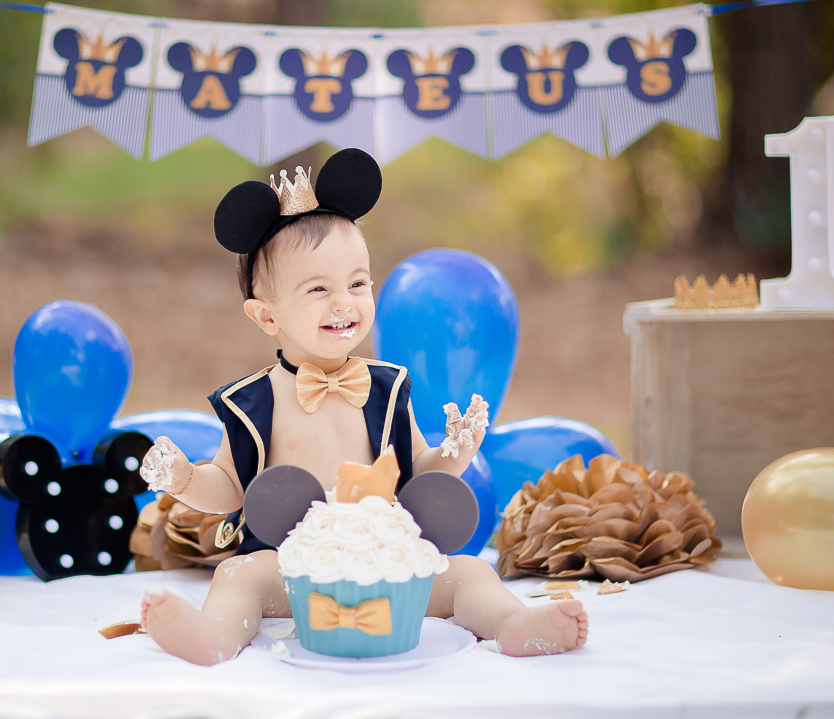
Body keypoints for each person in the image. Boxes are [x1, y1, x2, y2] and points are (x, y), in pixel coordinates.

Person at [137, 149, 588, 665]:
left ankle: (513, 624)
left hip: (389, 560)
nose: (344, 302)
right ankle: (214, 636)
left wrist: (456, 453)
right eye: (318, 289)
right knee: (237, 574)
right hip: (294, 568)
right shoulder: (253, 401)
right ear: (266, 316)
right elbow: (230, 485)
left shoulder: (388, 387)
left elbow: (420, 471)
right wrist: (184, 480)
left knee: (469, 573)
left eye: (357, 283)